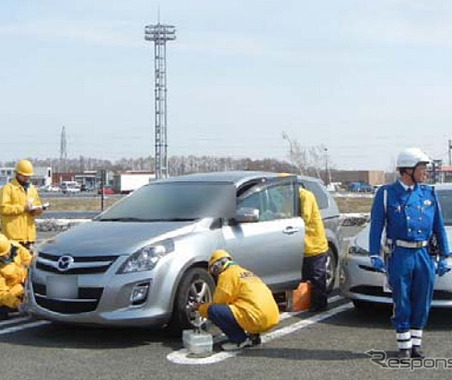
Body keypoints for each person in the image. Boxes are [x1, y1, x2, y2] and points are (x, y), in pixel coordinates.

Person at [369, 147, 450, 359]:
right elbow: (376, 226)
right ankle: (403, 345)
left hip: (424, 254)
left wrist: (445, 256)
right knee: (402, 299)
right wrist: (374, 254)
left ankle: (416, 344)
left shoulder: (428, 193)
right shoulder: (387, 194)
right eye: (422, 168)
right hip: (400, 255)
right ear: (407, 170)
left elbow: (438, 228)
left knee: (423, 300)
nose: (425, 172)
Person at [193, 249, 279, 351]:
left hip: (256, 319)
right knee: (245, 304)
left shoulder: (226, 275)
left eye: (213, 270)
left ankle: (240, 340)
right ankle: (254, 337)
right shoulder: (246, 272)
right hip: (272, 317)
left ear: (217, 266)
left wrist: (200, 308)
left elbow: (218, 304)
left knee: (213, 310)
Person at [0, 159, 45, 251]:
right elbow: (3, 209)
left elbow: (37, 204)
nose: (26, 178)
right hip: (13, 238)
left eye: (28, 176)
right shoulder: (8, 189)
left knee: (28, 264)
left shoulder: (32, 189)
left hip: (29, 237)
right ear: (17, 174)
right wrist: (23, 208)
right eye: (24, 176)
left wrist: (37, 210)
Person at [299, 185, 329, 312]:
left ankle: (321, 304)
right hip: (302, 244)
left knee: (317, 275)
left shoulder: (306, 195)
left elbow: (305, 217)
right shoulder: (290, 198)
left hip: (315, 243)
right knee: (305, 275)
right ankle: (308, 302)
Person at [0, 233, 32, 320]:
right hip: (8, 291)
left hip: (20, 283)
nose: (6, 256)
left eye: (7, 253)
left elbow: (30, 261)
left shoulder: (16, 247)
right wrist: (18, 304)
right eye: (2, 256)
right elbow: (2, 293)